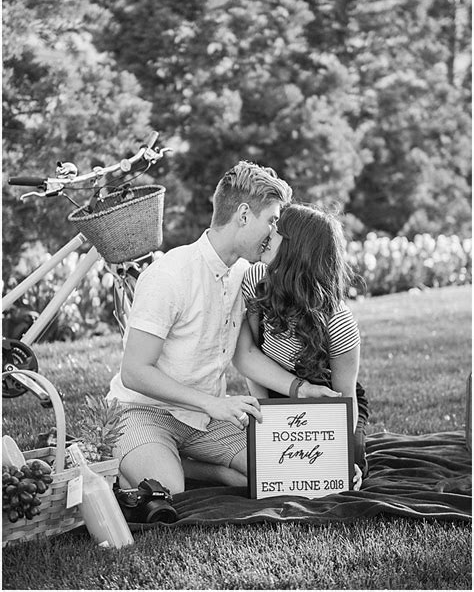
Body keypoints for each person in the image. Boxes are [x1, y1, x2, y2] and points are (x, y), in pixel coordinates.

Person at [107, 160, 295, 495]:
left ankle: (186, 462)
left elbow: (245, 356)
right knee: (167, 488)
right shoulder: (170, 275)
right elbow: (134, 372)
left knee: (277, 471)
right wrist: (212, 403)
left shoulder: (242, 275)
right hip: (144, 411)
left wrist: (300, 390)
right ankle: (169, 463)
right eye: (271, 220)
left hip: (203, 420)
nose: (273, 233)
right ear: (242, 215)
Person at [233, 203, 369, 479]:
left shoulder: (338, 321)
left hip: (328, 401)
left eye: (277, 228)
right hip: (273, 391)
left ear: (296, 248)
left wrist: (342, 453)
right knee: (261, 461)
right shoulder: (256, 282)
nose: (269, 231)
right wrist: (265, 422)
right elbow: (252, 359)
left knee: (349, 464)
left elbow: (345, 397)